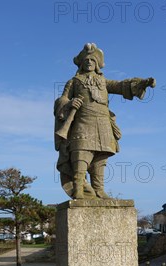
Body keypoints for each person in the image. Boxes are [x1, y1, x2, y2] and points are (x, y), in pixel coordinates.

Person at [54, 43, 156, 199]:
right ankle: (79, 188)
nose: (89, 62)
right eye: (87, 60)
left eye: (92, 60)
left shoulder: (104, 82)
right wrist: (68, 103)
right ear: (81, 63)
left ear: (97, 64)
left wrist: (142, 83)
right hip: (83, 122)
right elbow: (62, 99)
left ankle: (99, 189)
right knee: (81, 154)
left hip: (103, 123)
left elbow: (121, 86)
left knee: (100, 158)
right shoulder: (74, 81)